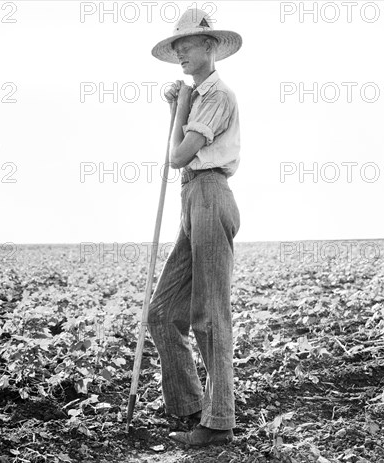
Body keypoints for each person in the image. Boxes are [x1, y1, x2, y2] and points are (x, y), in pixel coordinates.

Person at [147, 8, 242, 447]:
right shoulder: (199, 95)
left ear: (209, 46)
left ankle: (219, 422)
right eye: (177, 44)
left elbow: (179, 156)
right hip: (192, 196)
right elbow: (181, 162)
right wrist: (180, 103)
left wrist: (181, 105)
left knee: (208, 315)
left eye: (188, 43)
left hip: (209, 192)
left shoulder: (218, 95)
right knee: (163, 313)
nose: (181, 50)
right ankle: (189, 409)